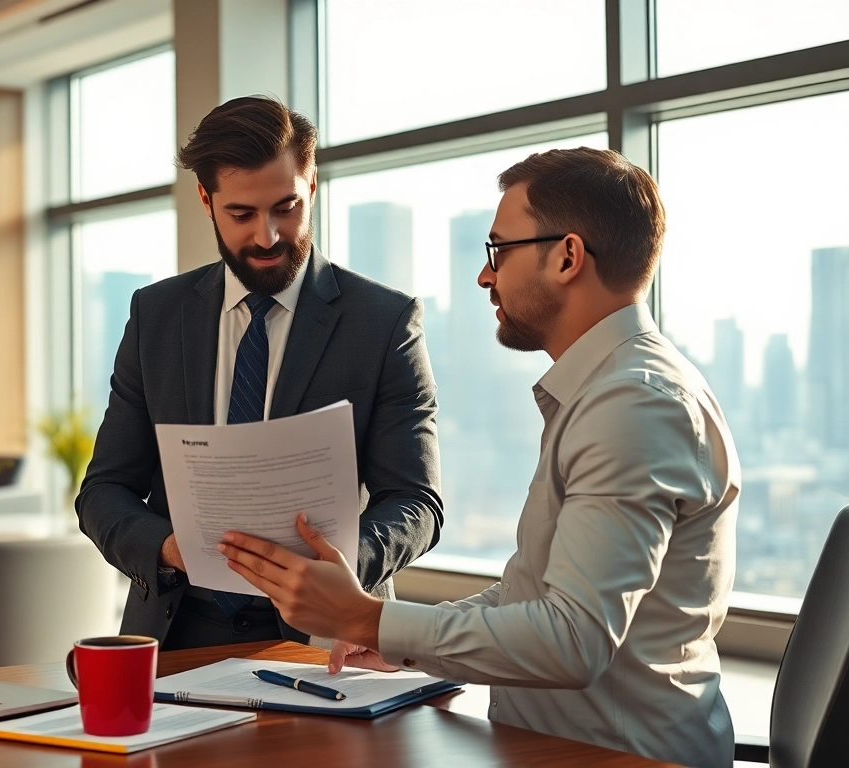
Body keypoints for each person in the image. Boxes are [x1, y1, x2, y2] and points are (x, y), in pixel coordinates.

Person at [218, 147, 739, 768]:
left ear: (568, 257)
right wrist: (388, 631)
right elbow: (534, 596)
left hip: (620, 757)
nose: (484, 276)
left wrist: (370, 620)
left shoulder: (631, 404)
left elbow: (572, 640)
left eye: (499, 250)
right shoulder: (609, 390)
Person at [75, 96, 444, 650]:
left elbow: (417, 501)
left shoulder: (383, 322)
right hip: (174, 637)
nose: (268, 236)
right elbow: (103, 490)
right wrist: (170, 547)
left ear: (312, 186)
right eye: (242, 214)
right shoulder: (156, 317)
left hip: (325, 639)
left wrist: (339, 568)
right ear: (206, 200)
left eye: (286, 207)